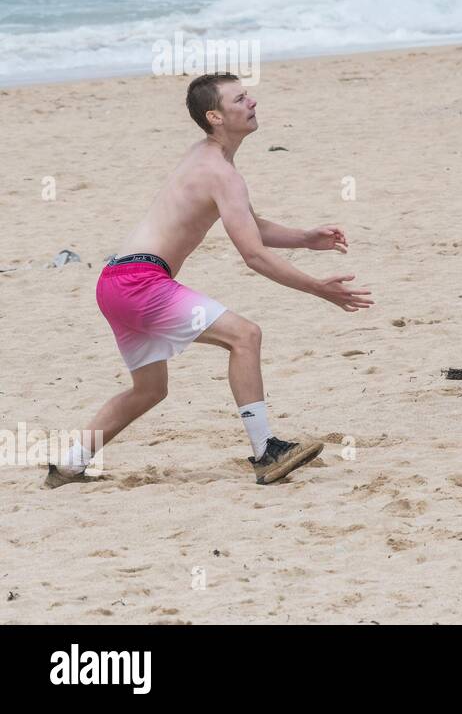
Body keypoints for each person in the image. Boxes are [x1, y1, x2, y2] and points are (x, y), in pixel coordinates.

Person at [46, 72, 374, 488]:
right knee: (245, 336)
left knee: (149, 390)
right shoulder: (221, 173)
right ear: (215, 116)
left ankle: (71, 464)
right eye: (240, 99)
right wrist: (319, 288)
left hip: (115, 281)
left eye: (248, 95)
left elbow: (249, 225)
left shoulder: (205, 158)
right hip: (140, 282)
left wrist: (306, 239)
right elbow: (253, 254)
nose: (252, 102)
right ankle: (266, 451)